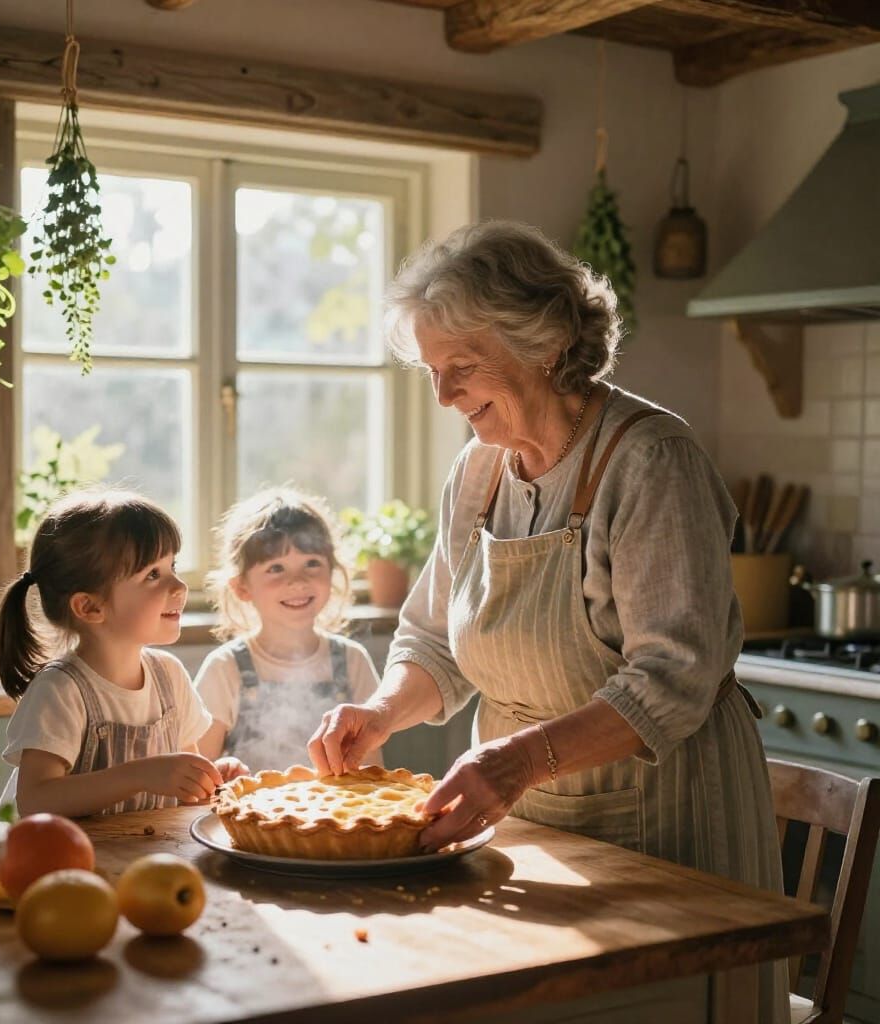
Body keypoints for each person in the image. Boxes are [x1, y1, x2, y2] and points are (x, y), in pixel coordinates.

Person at [308, 221, 786, 1023]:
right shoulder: (480, 468)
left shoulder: (649, 461)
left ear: (545, 342)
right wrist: (383, 712)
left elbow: (673, 681)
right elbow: (434, 637)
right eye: (432, 371)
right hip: (533, 824)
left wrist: (520, 760)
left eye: (460, 368)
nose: (443, 396)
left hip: (664, 828)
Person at [0, 489, 246, 817]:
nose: (179, 587)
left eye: (172, 567)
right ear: (90, 606)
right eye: (153, 575)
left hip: (143, 856)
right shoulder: (60, 690)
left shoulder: (170, 676)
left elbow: (186, 794)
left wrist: (211, 781)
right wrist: (139, 775)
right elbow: (36, 800)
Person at [195, 487, 382, 774]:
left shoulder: (353, 661)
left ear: (332, 572)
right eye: (276, 568)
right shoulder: (223, 669)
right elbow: (199, 779)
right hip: (251, 817)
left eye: (312, 564)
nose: (297, 581)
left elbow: (372, 774)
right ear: (242, 587)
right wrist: (222, 773)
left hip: (335, 817)